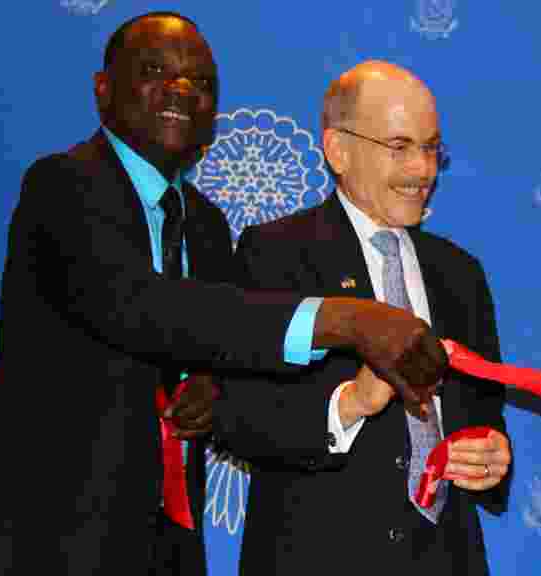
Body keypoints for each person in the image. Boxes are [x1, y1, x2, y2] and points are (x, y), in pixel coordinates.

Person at [0, 15, 447, 576]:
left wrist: (216, 385)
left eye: (201, 83)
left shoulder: (204, 226)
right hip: (37, 540)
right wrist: (345, 320)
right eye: (155, 71)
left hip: (161, 547)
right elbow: (140, 308)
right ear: (103, 90)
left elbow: (220, 353)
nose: (182, 91)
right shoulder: (63, 187)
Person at [213, 60, 511, 575]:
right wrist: (349, 404)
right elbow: (238, 418)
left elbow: (485, 416)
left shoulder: (460, 274)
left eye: (431, 147)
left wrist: (493, 460)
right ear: (338, 150)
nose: (424, 170)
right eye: (400, 147)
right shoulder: (274, 255)